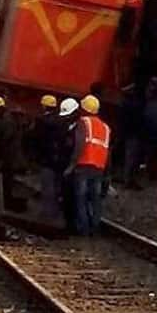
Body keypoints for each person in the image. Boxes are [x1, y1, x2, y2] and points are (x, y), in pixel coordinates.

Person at [64, 95, 111, 236]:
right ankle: (95, 228)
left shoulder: (83, 122)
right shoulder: (106, 127)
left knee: (81, 198)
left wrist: (71, 166)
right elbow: (108, 151)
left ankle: (83, 230)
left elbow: (79, 145)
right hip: (99, 168)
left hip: (83, 165)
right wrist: (108, 174)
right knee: (95, 199)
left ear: (84, 109)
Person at [33, 95, 63, 218]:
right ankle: (53, 211)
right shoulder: (60, 121)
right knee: (55, 187)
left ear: (44, 106)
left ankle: (47, 213)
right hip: (58, 158)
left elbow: (37, 139)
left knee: (47, 187)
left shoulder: (42, 121)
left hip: (47, 158)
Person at [58, 97, 81, 232]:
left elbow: (77, 148)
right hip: (68, 166)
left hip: (74, 168)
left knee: (73, 197)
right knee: (67, 196)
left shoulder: (79, 128)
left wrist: (71, 167)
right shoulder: (68, 126)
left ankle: (72, 226)